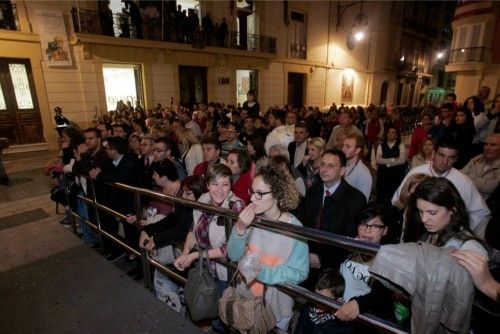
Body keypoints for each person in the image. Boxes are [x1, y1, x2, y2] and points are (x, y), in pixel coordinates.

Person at [227, 165, 309, 332]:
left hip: (275, 307)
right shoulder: (253, 219)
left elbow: (299, 273)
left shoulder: (295, 229)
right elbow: (233, 255)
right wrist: (240, 228)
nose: (252, 199)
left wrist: (262, 272)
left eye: (260, 193)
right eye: (252, 192)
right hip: (247, 299)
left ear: (277, 195)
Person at [174, 164, 245, 333]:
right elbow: (193, 229)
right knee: (214, 315)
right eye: (215, 183)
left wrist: (194, 256)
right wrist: (186, 252)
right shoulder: (204, 199)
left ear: (231, 185)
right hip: (207, 269)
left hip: (226, 274)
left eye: (225, 184)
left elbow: (229, 249)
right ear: (207, 185)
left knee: (225, 320)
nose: (220, 190)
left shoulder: (236, 206)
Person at [392, 138, 490, 238]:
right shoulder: (416, 173)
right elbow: (397, 201)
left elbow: (480, 212)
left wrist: (461, 231)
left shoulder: (463, 181)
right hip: (413, 233)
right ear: (434, 153)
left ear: (456, 159)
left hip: (447, 238)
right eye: (441, 155)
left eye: (451, 157)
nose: (445, 161)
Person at [299, 149, 367, 280]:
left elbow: (351, 239)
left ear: (342, 171)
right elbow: (303, 224)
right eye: (323, 164)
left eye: (330, 166)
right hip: (308, 259)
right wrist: (307, 253)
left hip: (336, 268)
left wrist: (322, 259)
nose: (324, 169)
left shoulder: (356, 200)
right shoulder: (313, 192)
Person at [294, 269, 348, 334]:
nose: (318, 302)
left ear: (338, 300)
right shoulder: (308, 308)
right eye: (317, 296)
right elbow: (300, 329)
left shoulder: (342, 322)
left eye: (325, 299)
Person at [461, 133, 500, 200]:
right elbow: (460, 175)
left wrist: (467, 178)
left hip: (481, 204)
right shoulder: (476, 159)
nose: (487, 148)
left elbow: (491, 187)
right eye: (486, 144)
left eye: (493, 145)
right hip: (462, 196)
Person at [375, 126, 407, 204]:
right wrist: (393, 159)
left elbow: (402, 160)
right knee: (382, 197)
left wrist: (387, 163)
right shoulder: (381, 145)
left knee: (394, 197)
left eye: (393, 132)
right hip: (383, 175)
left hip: (397, 176)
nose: (390, 134)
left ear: (396, 135)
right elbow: (378, 160)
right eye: (389, 132)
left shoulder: (400, 145)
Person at [342, 133, 372, 201]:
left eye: (348, 146)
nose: (343, 149)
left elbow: (362, 202)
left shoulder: (364, 174)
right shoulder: (341, 164)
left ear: (357, 150)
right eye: (343, 145)